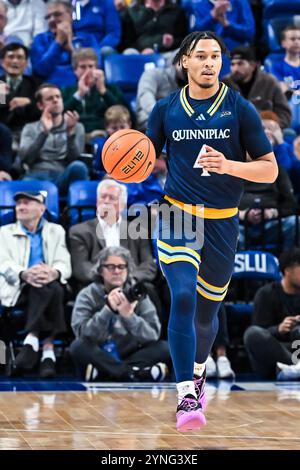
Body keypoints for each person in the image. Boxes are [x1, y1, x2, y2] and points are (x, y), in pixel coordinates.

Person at [146, 31, 278, 431]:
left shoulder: (239, 109)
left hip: (223, 220)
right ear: (183, 62)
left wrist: (230, 165)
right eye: (200, 55)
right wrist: (123, 159)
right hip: (178, 215)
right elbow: (142, 157)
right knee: (183, 296)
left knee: (207, 314)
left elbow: (269, 169)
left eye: (215, 56)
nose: (209, 62)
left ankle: (198, 372)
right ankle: (186, 393)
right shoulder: (164, 109)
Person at [70, 246, 170, 382]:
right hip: (100, 352)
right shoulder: (87, 295)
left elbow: (152, 335)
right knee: (78, 347)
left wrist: (130, 316)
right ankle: (134, 373)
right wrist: (108, 310)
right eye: (111, 267)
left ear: (128, 270)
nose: (117, 271)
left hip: (131, 352)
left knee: (165, 348)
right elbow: (82, 334)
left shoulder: (137, 293)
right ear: (100, 270)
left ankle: (104, 372)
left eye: (121, 267)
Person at [0, 191, 71, 377]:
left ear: (42, 209)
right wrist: (24, 274)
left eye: (26, 203)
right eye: (18, 204)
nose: (20, 207)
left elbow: (64, 263)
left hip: (50, 282)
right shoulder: (4, 233)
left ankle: (32, 340)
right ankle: (47, 351)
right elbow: (3, 263)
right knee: (49, 289)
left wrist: (53, 272)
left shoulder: (57, 231)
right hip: (18, 287)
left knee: (50, 287)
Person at [19, 83, 88, 195]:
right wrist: (44, 133)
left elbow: (75, 159)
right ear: (40, 105)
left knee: (79, 167)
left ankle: (74, 211)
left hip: (63, 175)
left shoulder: (76, 127)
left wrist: (70, 134)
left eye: (58, 97)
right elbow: (26, 159)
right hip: (37, 176)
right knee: (26, 183)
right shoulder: (29, 128)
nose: (55, 100)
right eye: (50, 98)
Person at [244, 248, 300, 380]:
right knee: (252, 334)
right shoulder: (266, 294)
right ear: (287, 270)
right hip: (274, 353)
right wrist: (279, 329)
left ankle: (294, 370)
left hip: (296, 348)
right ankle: (295, 368)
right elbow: (259, 331)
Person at [225, 46, 291, 129]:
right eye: (232, 64)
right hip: (234, 131)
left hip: (266, 131)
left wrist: (272, 125)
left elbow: (284, 113)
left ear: (252, 66)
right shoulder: (225, 83)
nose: (235, 68)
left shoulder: (269, 82)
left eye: (240, 64)